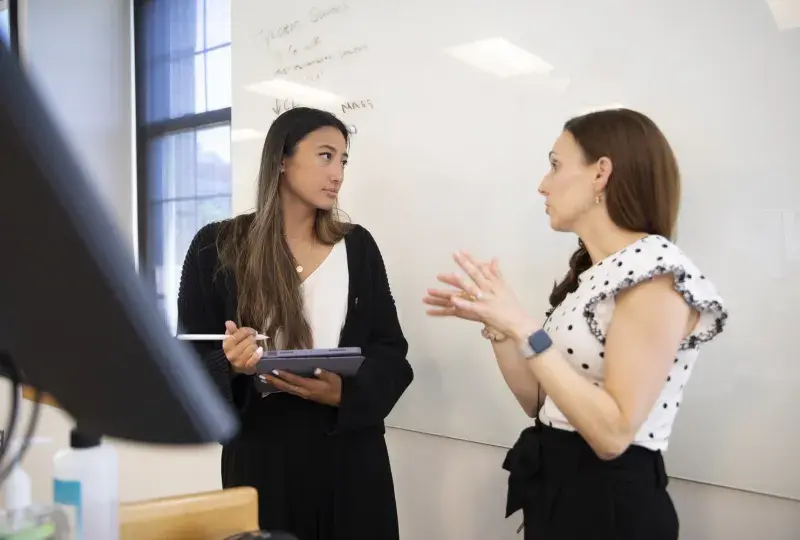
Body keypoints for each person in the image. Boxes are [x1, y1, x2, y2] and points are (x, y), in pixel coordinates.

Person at [423, 108, 728, 540]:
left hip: (610, 506)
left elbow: (612, 434)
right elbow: (540, 401)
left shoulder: (655, 273)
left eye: (555, 165)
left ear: (600, 172)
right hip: (561, 489)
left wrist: (525, 327)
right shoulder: (595, 274)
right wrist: (498, 326)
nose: (542, 184)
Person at [178, 106, 413, 540]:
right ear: (282, 160)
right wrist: (229, 364)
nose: (338, 173)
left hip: (350, 460)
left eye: (343, 160)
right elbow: (187, 360)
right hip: (263, 463)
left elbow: (392, 353)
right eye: (326, 156)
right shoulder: (216, 247)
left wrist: (346, 393)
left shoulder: (357, 247)